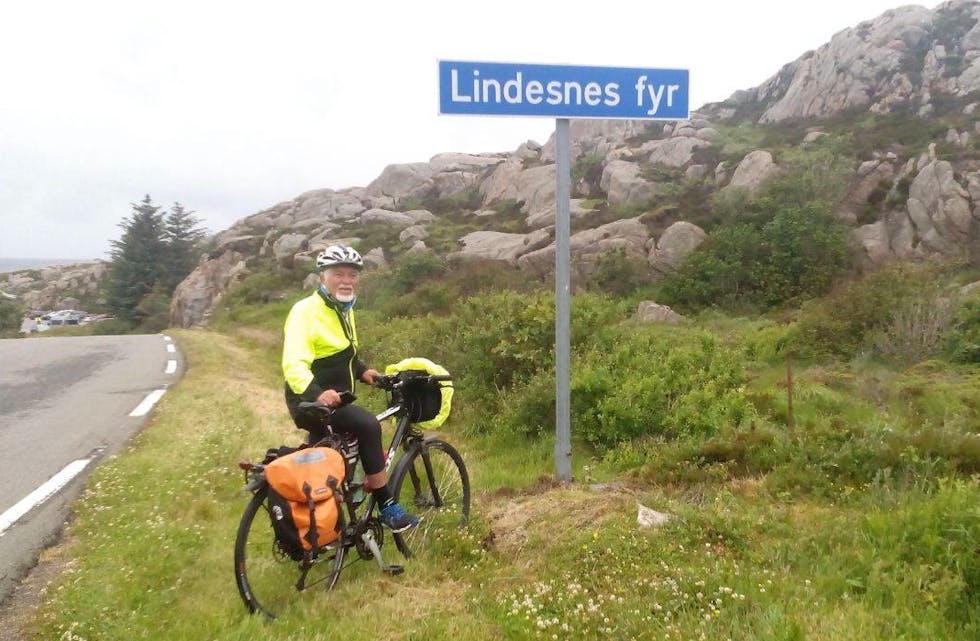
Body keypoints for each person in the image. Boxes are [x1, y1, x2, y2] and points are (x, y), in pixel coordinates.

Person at [281, 244, 419, 532]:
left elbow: (346, 352)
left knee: (326, 464)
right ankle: (387, 507)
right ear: (323, 277)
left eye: (352, 275)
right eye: (339, 274)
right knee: (367, 425)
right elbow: (293, 365)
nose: (347, 280)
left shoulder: (343, 308)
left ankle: (326, 524)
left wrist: (363, 370)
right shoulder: (305, 312)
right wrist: (317, 393)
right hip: (311, 402)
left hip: (335, 400)